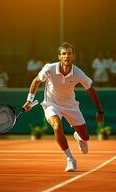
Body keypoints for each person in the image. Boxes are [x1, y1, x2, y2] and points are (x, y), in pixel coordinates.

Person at [22, 42, 104, 172]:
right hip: (51, 104)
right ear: (59, 56)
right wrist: (29, 100)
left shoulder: (78, 73)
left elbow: (91, 90)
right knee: (57, 126)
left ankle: (79, 137)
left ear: (73, 56)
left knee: (86, 137)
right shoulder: (49, 68)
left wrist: (100, 110)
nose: (67, 56)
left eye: (69, 54)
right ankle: (70, 159)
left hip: (71, 106)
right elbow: (36, 80)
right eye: (64, 54)